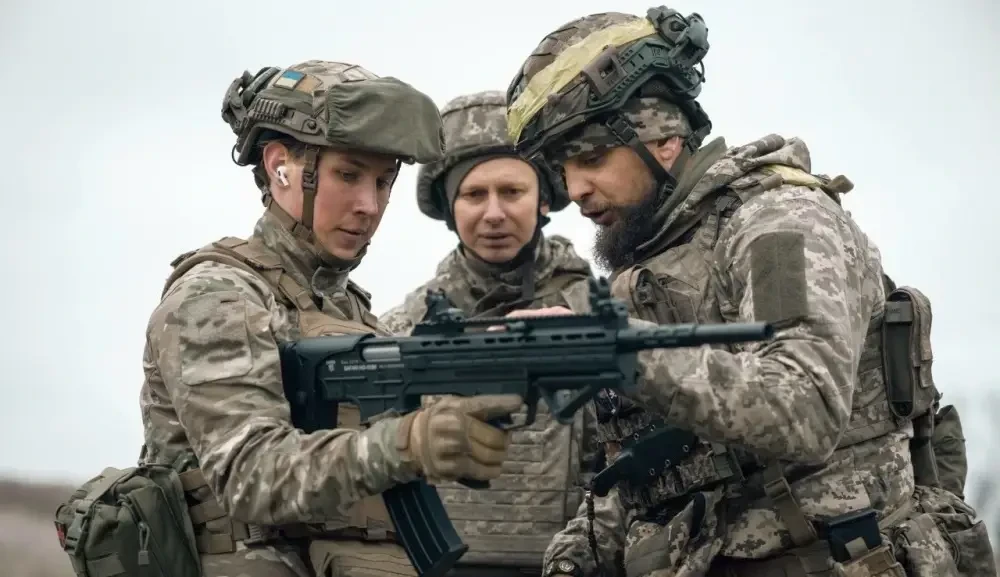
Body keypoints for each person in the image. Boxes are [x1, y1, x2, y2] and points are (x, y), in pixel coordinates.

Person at [501, 7, 996, 577]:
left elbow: (805, 407)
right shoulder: (656, 264)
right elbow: (663, 473)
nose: (575, 189)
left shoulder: (778, 223)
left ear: (663, 138)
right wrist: (573, 556)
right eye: (562, 169)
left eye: (590, 159)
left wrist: (615, 351)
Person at [138, 60, 524, 577]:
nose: (369, 205)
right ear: (280, 166)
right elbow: (252, 476)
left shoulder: (348, 310)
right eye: (348, 175)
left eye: (383, 182)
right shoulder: (218, 296)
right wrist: (408, 443)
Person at [379, 90, 601, 577]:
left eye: (512, 192)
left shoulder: (595, 316)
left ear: (544, 199)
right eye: (474, 195)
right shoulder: (403, 328)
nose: (494, 213)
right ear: (449, 208)